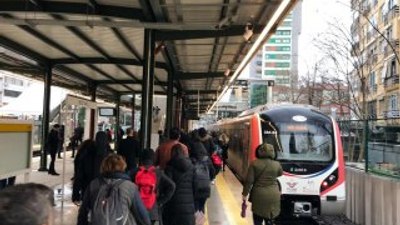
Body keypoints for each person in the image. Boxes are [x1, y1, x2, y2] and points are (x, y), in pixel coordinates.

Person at [77, 154, 151, 225]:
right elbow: (142, 215)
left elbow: (83, 213)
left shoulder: (93, 184)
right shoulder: (130, 187)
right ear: (123, 167)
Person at [242, 143, 283, 225]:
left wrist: (244, 194)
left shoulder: (254, 164)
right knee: (270, 218)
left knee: (258, 219)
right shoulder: (277, 164)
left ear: (260, 152)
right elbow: (280, 173)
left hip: (259, 195)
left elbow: (249, 181)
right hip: (274, 194)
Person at [133, 149, 176, 225]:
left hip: (137, 210)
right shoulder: (157, 172)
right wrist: (160, 201)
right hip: (153, 210)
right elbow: (172, 186)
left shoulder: (135, 172)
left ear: (141, 158)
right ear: (153, 159)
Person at [163, 144, 195, 225]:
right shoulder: (191, 167)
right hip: (189, 206)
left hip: (173, 206)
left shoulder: (169, 167)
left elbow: (167, 187)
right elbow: (195, 185)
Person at [190, 130, 214, 213]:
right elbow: (213, 171)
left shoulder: (191, 160)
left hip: (194, 188)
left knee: (195, 207)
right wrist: (208, 179)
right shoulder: (207, 159)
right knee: (201, 207)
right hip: (205, 188)